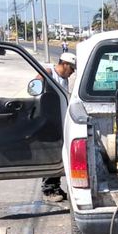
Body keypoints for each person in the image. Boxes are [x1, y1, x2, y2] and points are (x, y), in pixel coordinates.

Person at [40, 52, 76, 202]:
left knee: (61, 156)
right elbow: (36, 86)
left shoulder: (64, 78)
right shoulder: (49, 73)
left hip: (60, 122)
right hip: (49, 122)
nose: (73, 72)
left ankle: (55, 186)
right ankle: (48, 190)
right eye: (72, 68)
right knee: (52, 155)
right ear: (65, 64)